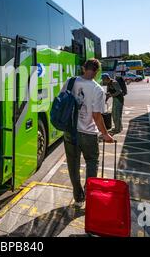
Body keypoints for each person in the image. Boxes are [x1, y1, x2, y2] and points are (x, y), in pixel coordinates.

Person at [61, 59, 114, 207]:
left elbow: (61, 101)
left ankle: (78, 198)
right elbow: (97, 116)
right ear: (97, 72)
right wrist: (105, 134)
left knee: (73, 165)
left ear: (84, 68)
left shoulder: (70, 82)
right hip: (89, 134)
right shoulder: (98, 89)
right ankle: (89, 194)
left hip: (70, 132)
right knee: (92, 162)